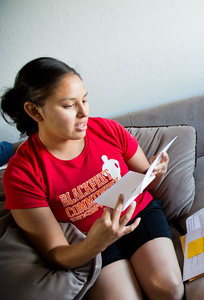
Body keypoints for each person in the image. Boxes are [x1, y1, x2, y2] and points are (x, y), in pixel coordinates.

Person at [0, 57, 184, 300]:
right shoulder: (22, 174)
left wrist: (156, 171)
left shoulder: (107, 130)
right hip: (89, 241)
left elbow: (146, 181)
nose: (84, 112)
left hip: (138, 214)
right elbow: (55, 253)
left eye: (84, 100)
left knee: (169, 288)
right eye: (69, 106)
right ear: (35, 111)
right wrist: (95, 244)